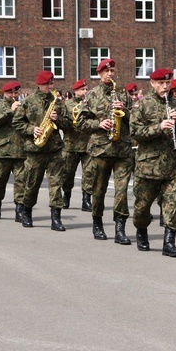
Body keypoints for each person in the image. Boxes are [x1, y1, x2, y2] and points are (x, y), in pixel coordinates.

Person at [130, 68, 176, 256]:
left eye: (167, 83)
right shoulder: (142, 105)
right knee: (142, 207)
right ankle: (142, 231)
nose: (165, 87)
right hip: (148, 166)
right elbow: (135, 133)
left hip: (173, 164)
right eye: (160, 83)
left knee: (172, 203)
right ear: (152, 83)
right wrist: (158, 127)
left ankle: (169, 242)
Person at [76, 59, 133, 244]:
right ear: (99, 74)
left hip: (122, 149)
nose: (110, 74)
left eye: (112, 71)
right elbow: (81, 123)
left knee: (122, 191)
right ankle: (97, 223)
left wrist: (125, 111)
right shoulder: (92, 95)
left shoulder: (123, 94)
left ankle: (120, 229)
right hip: (101, 149)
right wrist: (98, 123)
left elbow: (136, 120)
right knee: (99, 190)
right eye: (106, 71)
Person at [12, 70, 67, 231]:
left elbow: (68, 123)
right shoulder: (28, 101)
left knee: (56, 184)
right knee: (32, 184)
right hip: (35, 150)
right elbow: (17, 122)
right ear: (39, 84)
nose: (50, 87)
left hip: (54, 149)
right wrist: (32, 129)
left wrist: (59, 119)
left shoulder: (57, 101)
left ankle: (56, 218)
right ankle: (26, 212)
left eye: (52, 84)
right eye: (47, 84)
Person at [0, 81, 26, 221]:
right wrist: (11, 110)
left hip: (20, 151)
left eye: (16, 93)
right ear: (5, 93)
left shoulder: (23, 107)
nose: (14, 95)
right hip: (2, 151)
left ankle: (19, 210)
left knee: (21, 182)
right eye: (11, 93)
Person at [60, 79, 94, 212]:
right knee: (68, 173)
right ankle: (66, 196)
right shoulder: (67, 105)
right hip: (71, 144)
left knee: (89, 173)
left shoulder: (90, 104)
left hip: (87, 144)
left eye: (86, 89)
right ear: (75, 91)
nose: (85, 92)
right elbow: (62, 123)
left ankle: (86, 200)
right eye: (82, 90)